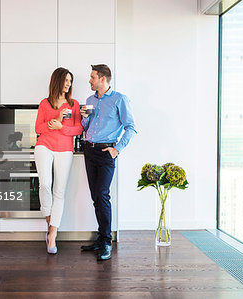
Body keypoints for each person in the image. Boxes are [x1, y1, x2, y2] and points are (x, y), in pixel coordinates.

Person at [80, 64, 137, 261]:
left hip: (106, 152)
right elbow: (86, 127)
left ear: (103, 79)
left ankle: (106, 242)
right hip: (89, 150)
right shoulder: (89, 100)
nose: (89, 80)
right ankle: (101, 237)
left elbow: (131, 127)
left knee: (103, 195)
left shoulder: (119, 99)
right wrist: (84, 118)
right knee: (96, 196)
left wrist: (117, 149)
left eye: (92, 77)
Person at [34, 67, 83, 254]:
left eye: (70, 81)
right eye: (66, 80)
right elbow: (38, 128)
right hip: (44, 145)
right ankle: (49, 219)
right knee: (45, 185)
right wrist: (52, 122)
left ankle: (52, 234)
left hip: (65, 149)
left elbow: (78, 129)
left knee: (59, 192)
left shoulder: (74, 104)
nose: (69, 84)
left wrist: (62, 127)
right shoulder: (45, 103)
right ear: (57, 81)